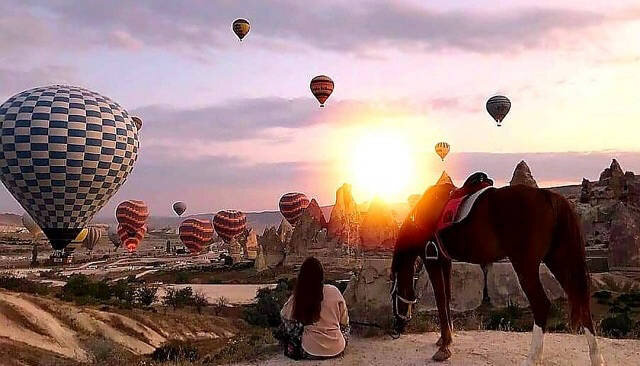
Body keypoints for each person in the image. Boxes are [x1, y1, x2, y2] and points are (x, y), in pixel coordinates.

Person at [277, 257, 350, 360]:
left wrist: (298, 327)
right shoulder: (334, 291)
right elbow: (345, 322)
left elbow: (284, 315)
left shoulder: (300, 295)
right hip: (336, 349)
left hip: (309, 350)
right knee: (345, 328)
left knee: (287, 326)